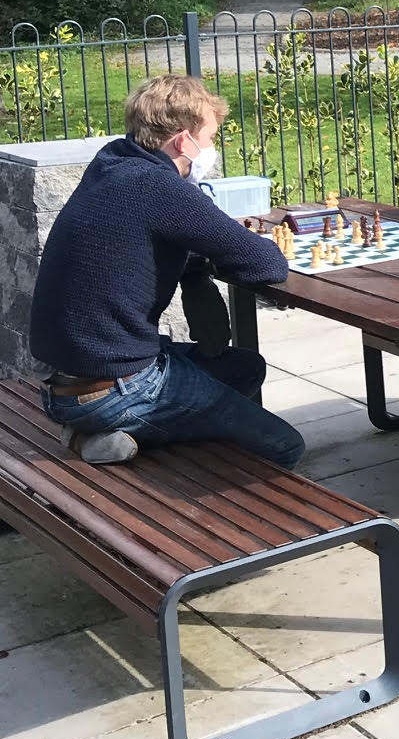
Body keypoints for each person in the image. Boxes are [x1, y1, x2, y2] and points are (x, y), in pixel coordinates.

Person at [29, 76, 305, 469]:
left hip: (62, 386)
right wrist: (216, 257)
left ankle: (95, 436)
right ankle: (131, 437)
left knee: (245, 369)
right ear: (183, 142)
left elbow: (143, 236)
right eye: (209, 137)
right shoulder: (160, 187)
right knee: (284, 446)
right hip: (118, 388)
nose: (211, 149)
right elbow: (266, 264)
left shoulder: (112, 162)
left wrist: (197, 266)